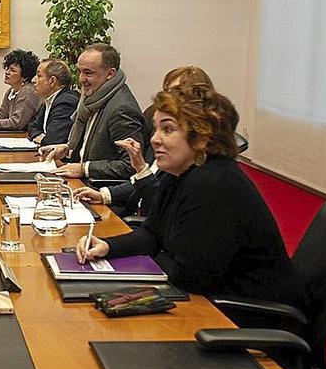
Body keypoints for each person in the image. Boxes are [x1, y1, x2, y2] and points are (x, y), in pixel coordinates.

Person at [76, 85, 302, 305]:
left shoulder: (214, 183)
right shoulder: (179, 172)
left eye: (168, 129)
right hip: (209, 298)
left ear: (202, 138)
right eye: (155, 128)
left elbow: (190, 276)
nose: (154, 139)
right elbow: (152, 233)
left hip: (244, 314)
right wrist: (107, 247)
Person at [73, 65, 215, 209]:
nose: (155, 139)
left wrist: (141, 168)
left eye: (177, 94)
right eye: (167, 92)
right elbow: (142, 181)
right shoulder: (162, 134)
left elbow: (161, 203)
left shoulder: (192, 160)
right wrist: (104, 195)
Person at [41, 43, 148, 182]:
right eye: (80, 71)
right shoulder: (93, 98)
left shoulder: (121, 108)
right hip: (81, 182)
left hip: (100, 191)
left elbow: (130, 165)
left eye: (88, 73)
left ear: (110, 74)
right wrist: (67, 149)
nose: (81, 79)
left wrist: (84, 168)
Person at [0, 49, 42, 131]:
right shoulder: (11, 91)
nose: (7, 72)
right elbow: (0, 114)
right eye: (7, 68)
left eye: (12, 70)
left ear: (25, 76)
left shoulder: (28, 91)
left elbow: (16, 123)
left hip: (26, 137)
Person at [27, 58, 79, 145]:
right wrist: (39, 136)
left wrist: (43, 140)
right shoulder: (49, 100)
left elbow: (53, 140)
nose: (33, 80)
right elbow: (32, 126)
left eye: (39, 76)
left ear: (52, 81)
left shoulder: (66, 103)